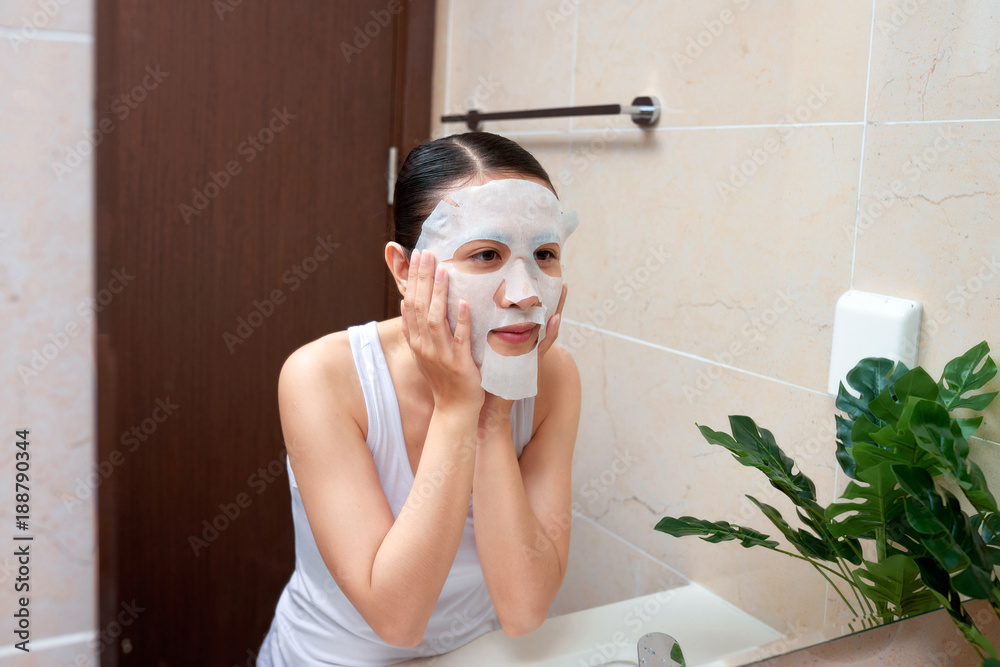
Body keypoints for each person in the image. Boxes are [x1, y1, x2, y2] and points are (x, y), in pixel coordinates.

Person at [257, 131, 581, 666]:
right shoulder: (322, 377)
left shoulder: (555, 378)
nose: (524, 293)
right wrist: (458, 409)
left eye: (544, 253)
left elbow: (524, 611)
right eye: (485, 254)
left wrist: (493, 414)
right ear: (406, 270)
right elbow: (397, 620)